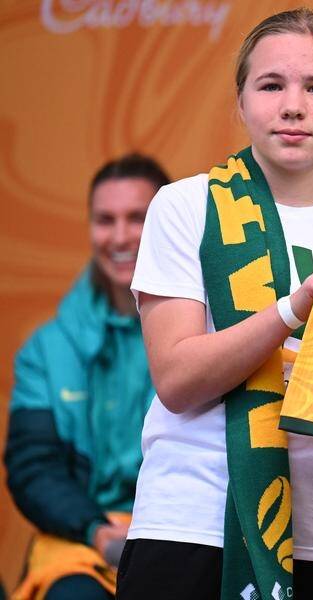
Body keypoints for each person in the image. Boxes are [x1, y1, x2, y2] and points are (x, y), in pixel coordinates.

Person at [114, 8, 313, 600]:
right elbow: (177, 379)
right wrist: (292, 310)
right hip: (193, 530)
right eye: (271, 85)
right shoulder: (185, 205)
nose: (293, 105)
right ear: (242, 101)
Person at [4, 154, 169, 600]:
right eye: (105, 220)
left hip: (182, 533)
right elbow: (31, 466)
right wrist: (98, 531)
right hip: (81, 540)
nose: (120, 236)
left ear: (169, 224)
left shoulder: (212, 329)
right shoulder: (47, 348)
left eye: (137, 218)